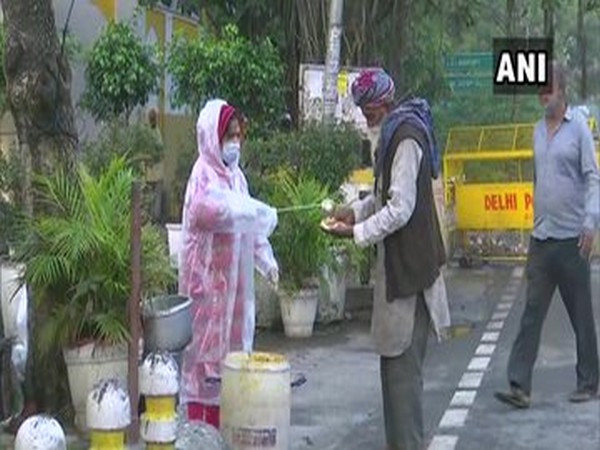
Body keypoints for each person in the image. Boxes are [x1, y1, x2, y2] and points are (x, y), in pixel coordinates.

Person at [328, 69, 451, 450]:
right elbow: (383, 197)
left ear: (382, 105)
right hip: (401, 276)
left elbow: (401, 208)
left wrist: (356, 233)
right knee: (396, 383)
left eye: (368, 113)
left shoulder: (406, 138)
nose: (366, 120)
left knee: (402, 385)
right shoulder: (392, 135)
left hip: (410, 280)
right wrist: (355, 211)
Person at [495, 62, 600, 408]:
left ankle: (588, 382)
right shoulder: (537, 131)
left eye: (549, 88)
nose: (543, 94)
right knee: (531, 312)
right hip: (541, 239)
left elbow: (592, 178)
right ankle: (519, 386)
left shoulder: (580, 129)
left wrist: (591, 222)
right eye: (540, 89)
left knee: (581, 315)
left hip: (573, 240)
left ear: (562, 89)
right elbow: (540, 181)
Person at [178, 99, 280, 428]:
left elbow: (251, 228)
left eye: (238, 135)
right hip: (206, 293)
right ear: (212, 137)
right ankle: (199, 434)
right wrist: (258, 212)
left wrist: (267, 261)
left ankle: (226, 435)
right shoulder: (202, 176)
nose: (235, 143)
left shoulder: (237, 178)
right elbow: (210, 212)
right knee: (203, 369)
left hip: (235, 296)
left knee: (232, 370)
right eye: (228, 136)